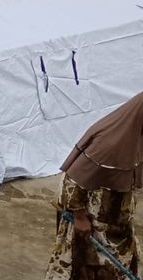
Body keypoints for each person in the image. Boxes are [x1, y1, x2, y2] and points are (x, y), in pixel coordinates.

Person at [46, 92, 143, 279]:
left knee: (121, 267)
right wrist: (80, 216)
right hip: (90, 217)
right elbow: (73, 178)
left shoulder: (137, 136)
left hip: (116, 223)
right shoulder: (110, 142)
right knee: (84, 266)